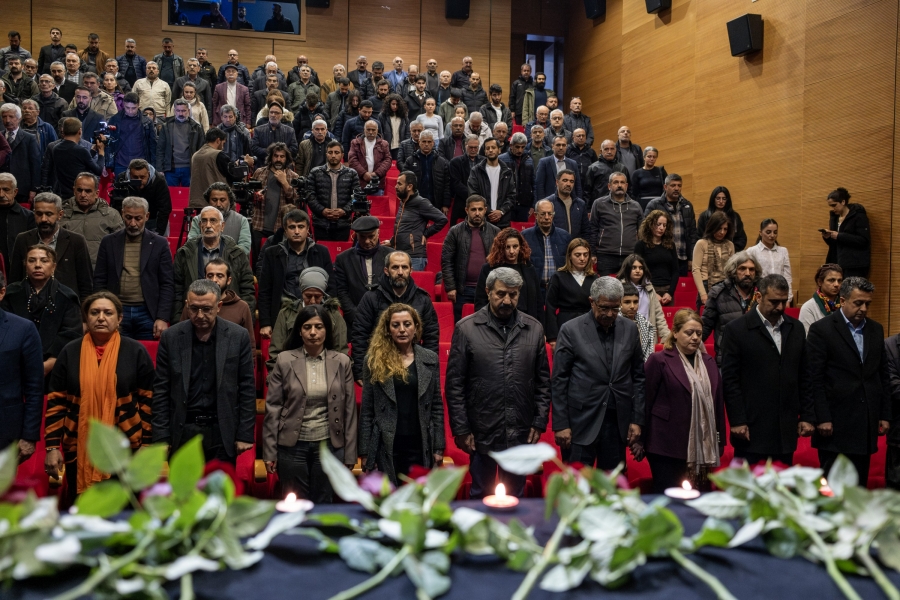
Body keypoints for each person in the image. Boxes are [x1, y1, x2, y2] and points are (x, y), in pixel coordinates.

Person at [446, 267, 551, 498]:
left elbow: (543, 382)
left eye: (513, 294)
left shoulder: (533, 328)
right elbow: (455, 385)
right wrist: (461, 429)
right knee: (480, 494)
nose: (507, 300)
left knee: (516, 497)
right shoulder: (466, 329)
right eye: (501, 293)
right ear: (488, 292)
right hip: (481, 429)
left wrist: (539, 422)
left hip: (520, 430)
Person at [45, 291, 155, 502]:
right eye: (94, 312)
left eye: (108, 313)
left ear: (119, 318)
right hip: (79, 448)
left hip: (126, 449)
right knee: (84, 510)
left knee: (124, 510)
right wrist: (52, 447)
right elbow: (56, 404)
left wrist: (147, 445)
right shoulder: (70, 352)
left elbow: (149, 402)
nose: (101, 318)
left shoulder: (135, 352)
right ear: (86, 318)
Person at [153, 279, 255, 463]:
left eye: (206, 309)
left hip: (222, 431)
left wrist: (245, 434)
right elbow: (161, 389)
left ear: (219, 306)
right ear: (187, 305)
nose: (200, 315)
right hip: (183, 429)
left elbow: (247, 387)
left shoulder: (238, 336)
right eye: (194, 308)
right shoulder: (171, 337)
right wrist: (161, 436)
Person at [263, 302, 354, 500]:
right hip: (292, 446)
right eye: (307, 327)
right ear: (299, 331)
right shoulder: (285, 360)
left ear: (327, 330)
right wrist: (269, 451)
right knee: (295, 504)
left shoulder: (342, 362)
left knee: (324, 503)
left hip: (329, 445)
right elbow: (273, 407)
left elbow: (349, 410)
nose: (313, 332)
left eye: (319, 327)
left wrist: (350, 453)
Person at [721, 274, 813, 466]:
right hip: (751, 427)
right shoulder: (736, 329)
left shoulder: (796, 328)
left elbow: (805, 376)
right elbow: (730, 380)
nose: (779, 307)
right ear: (758, 297)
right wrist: (737, 420)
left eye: (783, 301)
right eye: (774, 301)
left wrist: (806, 415)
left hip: (785, 428)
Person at [552, 276, 645, 466]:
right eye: (604, 308)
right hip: (580, 423)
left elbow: (638, 378)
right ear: (591, 302)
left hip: (617, 422)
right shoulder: (570, 330)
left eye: (615, 308)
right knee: (578, 482)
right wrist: (561, 424)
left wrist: (637, 419)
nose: (610, 314)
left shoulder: (630, 329)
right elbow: (559, 380)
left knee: (611, 483)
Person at [807, 277, 890, 484]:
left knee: (858, 486)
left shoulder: (875, 329)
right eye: (858, 303)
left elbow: (882, 374)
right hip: (835, 423)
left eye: (867, 304)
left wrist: (884, 414)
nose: (863, 309)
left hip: (865, 422)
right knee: (833, 487)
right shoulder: (822, 330)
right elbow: (815, 378)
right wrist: (822, 417)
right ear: (842, 301)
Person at [359, 303, 444, 485]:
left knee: (417, 495)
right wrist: (365, 451)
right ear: (388, 329)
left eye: (407, 324)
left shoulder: (430, 359)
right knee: (389, 496)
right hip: (387, 443)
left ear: (416, 327)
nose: (402, 329)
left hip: (420, 441)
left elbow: (436, 405)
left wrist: (438, 446)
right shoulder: (373, 361)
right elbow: (367, 409)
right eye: (396, 325)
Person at [643, 308, 725, 492]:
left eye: (699, 333)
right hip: (665, 445)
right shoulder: (659, 360)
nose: (695, 338)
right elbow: (645, 400)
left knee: (699, 498)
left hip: (703, 444)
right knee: (667, 497)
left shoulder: (709, 362)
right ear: (675, 332)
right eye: (689, 333)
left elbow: (718, 403)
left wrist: (720, 441)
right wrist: (639, 438)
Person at [350, 251, 439, 383]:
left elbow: (431, 337)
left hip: (413, 365)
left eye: (404, 267)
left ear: (411, 270)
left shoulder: (423, 299)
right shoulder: (371, 298)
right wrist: (361, 371)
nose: (400, 272)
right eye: (395, 267)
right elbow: (360, 334)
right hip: (379, 365)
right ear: (386, 270)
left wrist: (428, 369)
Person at [93, 196, 173, 340]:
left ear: (147, 216)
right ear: (122, 214)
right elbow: (100, 279)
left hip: (147, 313)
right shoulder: (108, 242)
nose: (133, 223)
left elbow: (167, 283)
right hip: (115, 311)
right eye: (128, 217)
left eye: (138, 218)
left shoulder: (160, 244)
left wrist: (162, 317)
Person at [0, 244, 81, 380]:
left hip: (55, 366)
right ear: (25, 265)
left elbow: (71, 334)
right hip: (13, 363)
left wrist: (49, 364)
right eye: (32, 260)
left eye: (44, 261)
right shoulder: (11, 294)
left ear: (53, 266)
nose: (37, 265)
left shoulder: (67, 296)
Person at [257, 209, 334, 339]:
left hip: (315, 311)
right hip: (284, 312)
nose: (297, 231)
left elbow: (331, 287)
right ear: (285, 230)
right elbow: (265, 291)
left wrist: (327, 314)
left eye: (301, 227)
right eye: (292, 227)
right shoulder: (272, 253)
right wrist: (265, 323)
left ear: (308, 229)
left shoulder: (321, 252)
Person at [173, 206, 255, 322]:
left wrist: (245, 320)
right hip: (194, 318)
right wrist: (178, 321)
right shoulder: (184, 253)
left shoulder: (237, 254)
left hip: (230, 320)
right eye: (204, 221)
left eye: (213, 221)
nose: (208, 225)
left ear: (222, 226)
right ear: (199, 225)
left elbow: (247, 290)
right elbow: (177, 290)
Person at [10, 192, 94, 301]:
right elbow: (14, 281)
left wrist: (82, 309)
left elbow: (86, 284)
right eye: (39, 214)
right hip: (29, 304)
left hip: (66, 305)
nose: (43, 219)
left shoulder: (76, 241)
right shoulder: (22, 239)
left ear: (60, 214)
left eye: (49, 214)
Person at [266, 266, 349, 371]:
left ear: (323, 295)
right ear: (302, 293)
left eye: (317, 296)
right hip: (291, 370)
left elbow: (341, 352)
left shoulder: (334, 315)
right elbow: (276, 352)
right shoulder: (287, 313)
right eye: (308, 296)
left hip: (326, 370)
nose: (313, 301)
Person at [0, 270, 44, 460]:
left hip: (5, 431)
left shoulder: (23, 329)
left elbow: (34, 387)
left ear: (2, 293)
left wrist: (29, 435)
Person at [442, 195, 500, 321]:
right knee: (462, 326)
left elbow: (500, 262)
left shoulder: (495, 232)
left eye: (480, 209)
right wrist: (451, 287)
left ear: (485, 210)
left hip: (488, 289)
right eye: (473, 209)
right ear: (467, 210)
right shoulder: (455, 231)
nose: (477, 213)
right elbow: (447, 261)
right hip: (463, 290)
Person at [332, 216, 392, 331]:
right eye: (362, 237)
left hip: (385, 319)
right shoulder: (343, 259)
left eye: (371, 236)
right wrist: (355, 316)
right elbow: (342, 292)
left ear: (378, 233)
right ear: (356, 236)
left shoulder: (391, 256)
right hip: (354, 320)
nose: (367, 241)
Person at [701, 251, 761, 363]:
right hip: (727, 359)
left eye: (751, 269)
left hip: (757, 359)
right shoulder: (718, 293)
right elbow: (705, 327)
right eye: (742, 268)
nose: (748, 273)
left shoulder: (763, 292)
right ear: (733, 271)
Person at [474, 227, 541, 322]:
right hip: (496, 320)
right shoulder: (488, 268)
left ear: (520, 247)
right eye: (507, 247)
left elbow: (538, 302)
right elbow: (480, 301)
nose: (512, 251)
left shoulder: (529, 268)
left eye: (515, 246)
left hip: (526, 321)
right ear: (501, 248)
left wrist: (539, 326)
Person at [60, 172, 124, 265]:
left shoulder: (111, 215)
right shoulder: (62, 214)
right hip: (69, 270)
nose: (83, 194)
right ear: (74, 191)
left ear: (96, 193)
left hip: (99, 270)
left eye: (88, 191)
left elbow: (120, 246)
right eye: (79, 190)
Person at [389, 171, 448, 271]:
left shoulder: (421, 202)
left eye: (399, 184)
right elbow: (403, 227)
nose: (395, 187)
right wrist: (392, 241)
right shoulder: (403, 203)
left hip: (415, 257)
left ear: (409, 186)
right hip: (400, 255)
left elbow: (442, 219)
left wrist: (426, 234)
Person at [642, 174, 698, 276]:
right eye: (673, 185)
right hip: (662, 256)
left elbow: (692, 233)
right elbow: (645, 231)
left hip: (683, 258)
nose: (676, 188)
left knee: (681, 286)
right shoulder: (654, 205)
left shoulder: (687, 205)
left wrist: (691, 258)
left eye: (679, 185)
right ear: (665, 187)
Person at [544, 238, 597, 346]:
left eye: (585, 255)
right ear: (569, 256)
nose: (582, 258)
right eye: (578, 255)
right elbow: (550, 307)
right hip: (565, 323)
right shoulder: (558, 277)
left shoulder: (594, 278)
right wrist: (553, 337)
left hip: (589, 325)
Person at [588, 172, 642, 275]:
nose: (619, 185)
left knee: (628, 285)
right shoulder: (599, 203)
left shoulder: (636, 206)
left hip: (630, 255)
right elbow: (592, 229)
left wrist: (640, 254)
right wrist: (592, 253)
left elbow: (642, 232)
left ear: (626, 186)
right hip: (605, 255)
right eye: (616, 182)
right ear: (609, 186)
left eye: (622, 182)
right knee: (605, 285)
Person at [306, 139, 360, 242]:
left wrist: (344, 211)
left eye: (336, 152)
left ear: (342, 155)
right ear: (326, 154)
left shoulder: (352, 173)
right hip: (320, 223)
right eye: (330, 152)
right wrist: (322, 210)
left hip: (343, 223)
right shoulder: (315, 172)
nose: (333, 155)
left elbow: (356, 197)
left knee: (341, 251)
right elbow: (310, 196)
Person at [522, 199, 570, 303]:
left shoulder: (565, 236)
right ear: (536, 215)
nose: (547, 217)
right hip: (534, 290)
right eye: (543, 214)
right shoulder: (525, 236)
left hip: (559, 290)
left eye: (550, 214)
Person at [616, 253, 670, 343]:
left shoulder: (649, 287)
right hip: (625, 335)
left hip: (647, 335)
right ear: (627, 269)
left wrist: (666, 336)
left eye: (641, 268)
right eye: (634, 268)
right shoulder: (619, 287)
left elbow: (658, 314)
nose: (638, 271)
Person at [48, 117, 105, 199]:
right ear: (80, 131)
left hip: (63, 194)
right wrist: (101, 152)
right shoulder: (81, 150)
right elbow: (98, 170)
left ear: (63, 131)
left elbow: (76, 161)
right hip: (79, 195)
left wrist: (92, 151)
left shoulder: (55, 149)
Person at [186, 182, 251, 255]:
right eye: (214, 200)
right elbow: (192, 245)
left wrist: (225, 258)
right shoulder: (198, 219)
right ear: (208, 201)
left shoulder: (241, 221)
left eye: (222, 200)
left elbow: (244, 248)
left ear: (230, 201)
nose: (218, 204)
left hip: (232, 261)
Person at [467, 137, 516, 229]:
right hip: (482, 219)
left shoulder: (507, 171)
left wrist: (501, 211)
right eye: (487, 148)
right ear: (485, 152)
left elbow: (512, 195)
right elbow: (473, 194)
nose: (490, 150)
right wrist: (489, 211)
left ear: (499, 150)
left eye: (493, 147)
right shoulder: (476, 171)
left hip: (503, 220)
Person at [633, 210, 679, 304]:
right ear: (650, 224)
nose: (661, 228)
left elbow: (675, 270)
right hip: (649, 288)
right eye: (658, 224)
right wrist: (652, 292)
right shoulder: (641, 245)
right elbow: (639, 271)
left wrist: (670, 293)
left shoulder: (670, 245)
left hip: (667, 291)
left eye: (664, 225)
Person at [822, 187, 870, 278]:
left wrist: (839, 236)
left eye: (834, 205)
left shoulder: (858, 216)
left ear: (843, 202)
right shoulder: (835, 218)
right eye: (831, 206)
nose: (833, 208)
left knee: (851, 287)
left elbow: (863, 240)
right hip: (837, 262)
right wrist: (828, 237)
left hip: (854, 265)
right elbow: (835, 244)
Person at [155, 99, 204, 187]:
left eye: (183, 111)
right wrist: (160, 168)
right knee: (171, 194)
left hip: (190, 168)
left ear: (188, 111)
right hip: (170, 169)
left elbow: (201, 150)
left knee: (190, 194)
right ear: (174, 111)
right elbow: (160, 149)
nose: (181, 114)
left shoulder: (197, 127)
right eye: (178, 110)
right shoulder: (166, 127)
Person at [691, 212, 735, 307]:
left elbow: (732, 270)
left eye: (725, 229)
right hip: (706, 286)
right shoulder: (701, 243)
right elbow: (696, 270)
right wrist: (703, 294)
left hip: (725, 287)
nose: (722, 232)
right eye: (719, 228)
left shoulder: (730, 245)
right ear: (713, 226)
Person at [2, 103, 42, 204]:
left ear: (19, 118)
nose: (7, 120)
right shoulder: (0, 137)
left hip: (22, 189)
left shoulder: (29, 138)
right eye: (4, 117)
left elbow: (35, 165)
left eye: (11, 117)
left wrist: (34, 188)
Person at [747, 218, 792, 304]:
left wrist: (788, 299)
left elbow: (787, 277)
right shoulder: (752, 251)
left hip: (780, 294)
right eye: (768, 232)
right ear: (760, 232)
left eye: (775, 232)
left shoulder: (783, 251)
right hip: (760, 293)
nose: (772, 235)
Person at [0, 173, 36, 269]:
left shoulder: (29, 217)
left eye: (6, 190)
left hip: (19, 270)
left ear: (15, 192)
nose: (1, 194)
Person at [696, 186, 747, 252]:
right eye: (718, 198)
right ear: (713, 199)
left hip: (730, 252)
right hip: (709, 252)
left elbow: (741, 238)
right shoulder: (704, 216)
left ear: (727, 200)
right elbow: (699, 236)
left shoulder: (734, 216)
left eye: (724, 199)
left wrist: (730, 249)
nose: (721, 201)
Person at [534, 135, 583, 202]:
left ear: (566, 147)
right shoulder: (544, 162)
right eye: (558, 145)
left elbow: (578, 186)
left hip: (569, 201)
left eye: (563, 145)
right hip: (549, 202)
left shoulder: (573, 163)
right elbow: (539, 185)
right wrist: (542, 203)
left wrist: (578, 203)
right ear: (552, 146)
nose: (561, 148)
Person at [799, 263, 844, 334]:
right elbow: (808, 337)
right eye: (831, 280)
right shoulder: (808, 307)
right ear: (820, 282)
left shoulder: (845, 304)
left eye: (839, 280)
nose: (836, 284)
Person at [348, 119, 391, 188]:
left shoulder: (384, 144)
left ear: (377, 130)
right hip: (359, 182)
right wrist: (364, 174)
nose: (371, 132)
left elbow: (388, 160)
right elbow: (352, 159)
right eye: (368, 129)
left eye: (373, 130)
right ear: (364, 130)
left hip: (378, 182)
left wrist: (377, 174)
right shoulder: (355, 143)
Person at [620, 281, 655, 361]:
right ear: (619, 303)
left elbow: (649, 354)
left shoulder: (646, 325)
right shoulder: (613, 323)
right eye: (627, 302)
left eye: (635, 302)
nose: (632, 306)